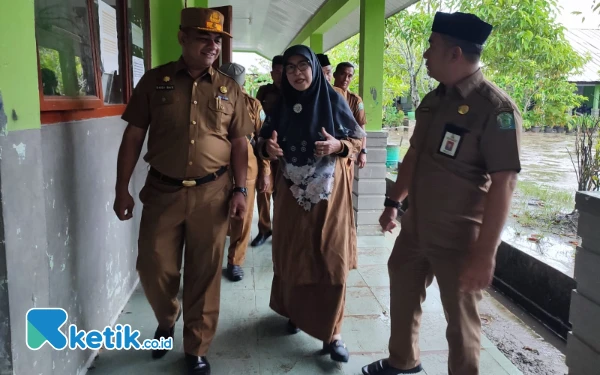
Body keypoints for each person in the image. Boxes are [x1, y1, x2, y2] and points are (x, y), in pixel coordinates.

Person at [362, 12, 521, 375]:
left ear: (455, 53)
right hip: (416, 225)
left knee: (460, 320)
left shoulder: (496, 110)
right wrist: (393, 202)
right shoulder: (434, 100)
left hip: (459, 235)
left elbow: (504, 183)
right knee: (402, 284)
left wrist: (485, 254)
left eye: (431, 46)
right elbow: (415, 156)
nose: (425, 54)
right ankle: (403, 362)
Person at [113, 7, 253, 375]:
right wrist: (121, 188)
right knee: (153, 265)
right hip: (162, 192)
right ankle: (167, 316)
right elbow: (133, 136)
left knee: (205, 272)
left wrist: (241, 189)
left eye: (218, 40)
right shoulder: (154, 81)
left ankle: (196, 347)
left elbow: (240, 144)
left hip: (214, 192)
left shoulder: (230, 88)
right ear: (182, 38)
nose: (212, 46)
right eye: (204, 37)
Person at [256, 44, 365, 363]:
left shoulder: (333, 99)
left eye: (303, 65)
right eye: (289, 67)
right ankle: (296, 312)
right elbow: (260, 140)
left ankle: (334, 333)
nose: (296, 72)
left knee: (330, 259)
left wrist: (337, 145)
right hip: (290, 193)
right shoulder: (280, 104)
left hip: (328, 195)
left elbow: (357, 140)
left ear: (315, 69)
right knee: (294, 255)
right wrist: (267, 148)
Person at [219, 62, 269, 282]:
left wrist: (265, 171)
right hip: (214, 167)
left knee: (243, 217)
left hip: (248, 168)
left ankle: (235, 262)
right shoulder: (208, 99)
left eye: (236, 85)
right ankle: (209, 262)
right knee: (214, 217)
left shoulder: (253, 105)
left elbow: (263, 139)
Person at [251, 55, 284, 247]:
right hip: (264, 148)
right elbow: (256, 116)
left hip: (284, 150)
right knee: (263, 190)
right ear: (272, 73)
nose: (280, 76)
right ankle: (264, 229)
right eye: (277, 72)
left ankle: (281, 230)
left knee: (282, 193)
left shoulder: (293, 92)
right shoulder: (264, 91)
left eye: (283, 72)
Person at [333, 62, 368, 169]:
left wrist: (363, 151)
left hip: (346, 152)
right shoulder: (325, 95)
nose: (346, 79)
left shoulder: (355, 100)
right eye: (342, 74)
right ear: (334, 75)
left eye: (350, 76)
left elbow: (361, 128)